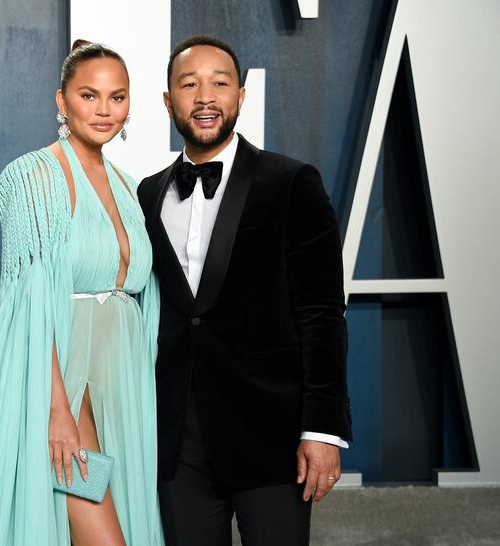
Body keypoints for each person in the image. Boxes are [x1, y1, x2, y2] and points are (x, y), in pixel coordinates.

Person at [0, 40, 164, 546]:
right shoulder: (30, 177)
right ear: (61, 100)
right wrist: (55, 411)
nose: (104, 110)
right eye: (89, 95)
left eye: (117, 96)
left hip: (123, 389)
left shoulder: (132, 189)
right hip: (64, 380)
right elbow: (28, 303)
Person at [137, 35, 353, 546]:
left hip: (272, 436)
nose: (205, 97)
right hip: (176, 442)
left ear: (241, 95)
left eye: (219, 83)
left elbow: (323, 313)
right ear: (168, 100)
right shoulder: (147, 193)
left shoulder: (292, 181)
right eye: (189, 85)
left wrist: (321, 430)